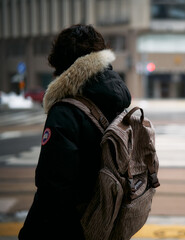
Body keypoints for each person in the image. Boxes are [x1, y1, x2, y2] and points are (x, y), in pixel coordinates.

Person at [18, 24, 131, 240]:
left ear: (60, 62)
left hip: (74, 227)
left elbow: (52, 188)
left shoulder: (65, 112)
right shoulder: (118, 98)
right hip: (107, 221)